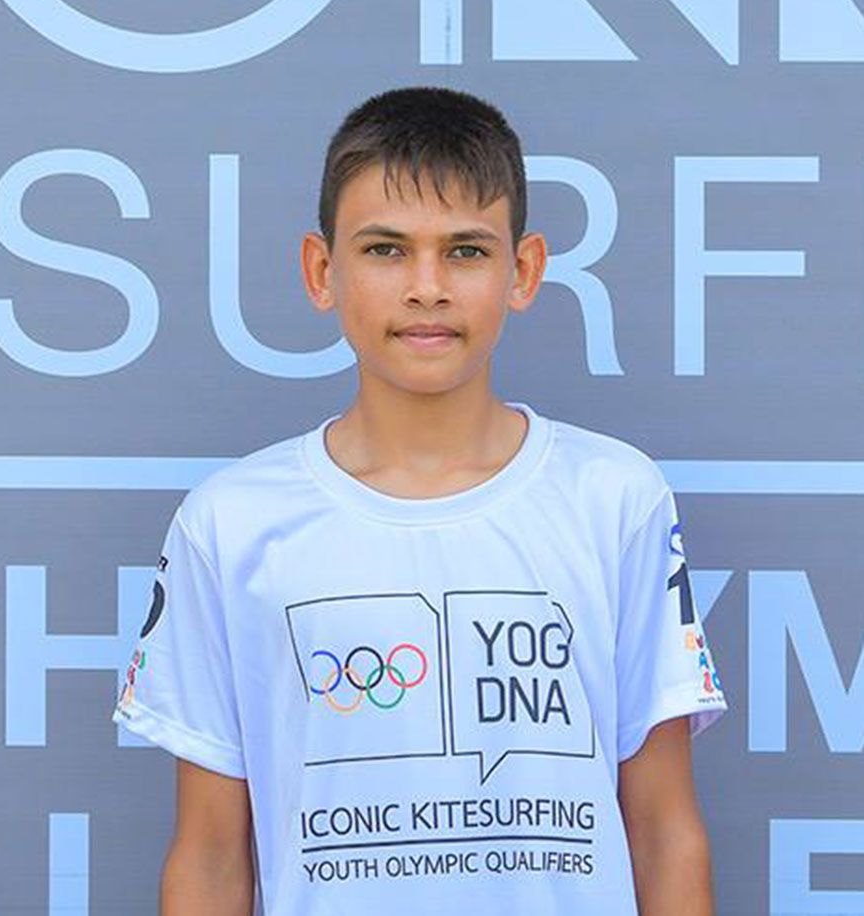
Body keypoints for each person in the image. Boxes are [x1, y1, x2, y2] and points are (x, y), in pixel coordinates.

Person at [112, 85, 727, 915]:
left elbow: (663, 830)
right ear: (322, 271)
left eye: (466, 251)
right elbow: (212, 854)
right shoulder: (231, 522)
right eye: (386, 250)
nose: (427, 287)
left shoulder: (615, 498)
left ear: (524, 271)